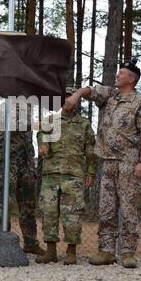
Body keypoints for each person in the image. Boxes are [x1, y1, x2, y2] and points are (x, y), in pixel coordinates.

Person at [64, 59, 141, 268]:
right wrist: (76, 95)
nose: (117, 76)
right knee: (106, 208)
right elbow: (90, 90)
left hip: (129, 163)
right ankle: (106, 251)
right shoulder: (111, 95)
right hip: (108, 162)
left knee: (128, 207)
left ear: (131, 79)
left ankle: (128, 253)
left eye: (121, 73)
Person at [36, 87, 97, 265]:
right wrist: (43, 145)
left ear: (76, 102)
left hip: (74, 175)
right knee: (49, 212)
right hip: (51, 174)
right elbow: (41, 135)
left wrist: (91, 172)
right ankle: (51, 251)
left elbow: (91, 150)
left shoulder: (84, 124)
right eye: (65, 98)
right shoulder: (50, 120)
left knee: (73, 214)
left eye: (72, 99)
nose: (69, 102)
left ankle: (71, 252)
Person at [0, 104, 45, 256]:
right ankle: (1, 241)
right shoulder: (4, 108)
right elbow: (8, 123)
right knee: (5, 203)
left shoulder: (28, 109)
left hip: (26, 165)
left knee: (28, 204)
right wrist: (34, 124)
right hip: (7, 164)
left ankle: (30, 243)